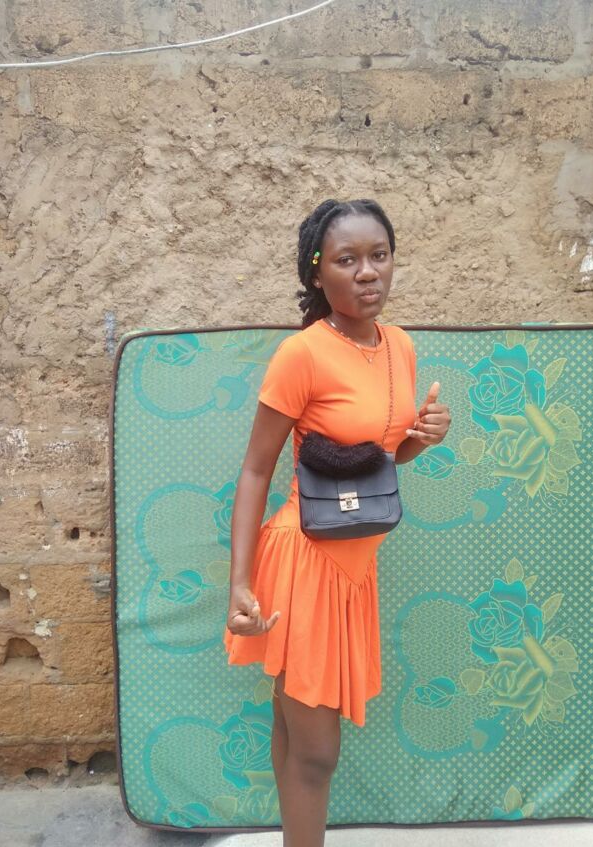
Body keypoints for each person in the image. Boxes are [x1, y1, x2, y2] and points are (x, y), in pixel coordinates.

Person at [224, 198, 451, 846]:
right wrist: (239, 584)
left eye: (379, 255)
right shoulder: (302, 354)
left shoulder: (399, 346)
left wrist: (422, 439)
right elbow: (255, 471)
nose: (367, 272)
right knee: (318, 751)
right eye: (347, 259)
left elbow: (377, 460)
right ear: (317, 272)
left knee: (298, 733)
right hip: (306, 565)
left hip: (355, 570)